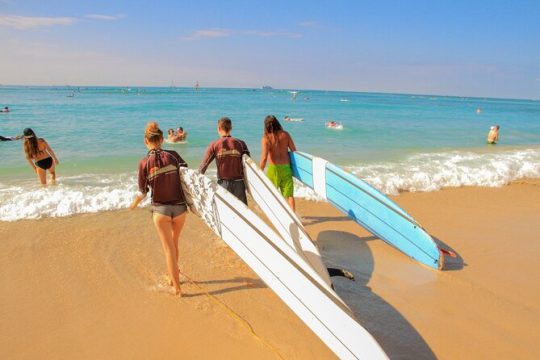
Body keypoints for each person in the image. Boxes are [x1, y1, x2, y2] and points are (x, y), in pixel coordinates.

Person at [130, 122, 188, 296]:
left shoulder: (143, 163)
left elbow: (143, 191)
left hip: (161, 212)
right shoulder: (174, 155)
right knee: (174, 242)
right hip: (179, 210)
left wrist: (134, 204)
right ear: (162, 139)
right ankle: (172, 278)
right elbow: (187, 177)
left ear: (145, 141)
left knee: (168, 249)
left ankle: (176, 287)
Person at [198, 117, 250, 204]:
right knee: (242, 213)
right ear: (231, 128)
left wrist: (197, 180)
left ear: (219, 129)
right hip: (239, 184)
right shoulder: (241, 143)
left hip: (223, 184)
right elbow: (249, 164)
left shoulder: (214, 145)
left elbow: (204, 165)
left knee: (225, 213)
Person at [259, 115, 297, 211]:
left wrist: (259, 172)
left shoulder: (266, 138)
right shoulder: (286, 135)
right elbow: (294, 151)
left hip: (273, 169)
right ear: (277, 123)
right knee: (289, 195)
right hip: (286, 168)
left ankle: (276, 214)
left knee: (271, 193)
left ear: (266, 126)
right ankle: (294, 216)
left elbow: (264, 158)